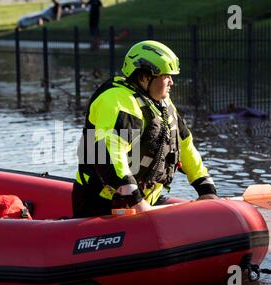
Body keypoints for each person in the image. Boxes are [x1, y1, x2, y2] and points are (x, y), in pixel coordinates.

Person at [72, 40, 218, 218]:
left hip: (144, 199)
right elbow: (110, 153)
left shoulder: (161, 103)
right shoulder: (117, 101)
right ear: (144, 77)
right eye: (166, 76)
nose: (172, 82)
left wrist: (206, 188)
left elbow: (185, 146)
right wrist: (136, 200)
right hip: (102, 201)